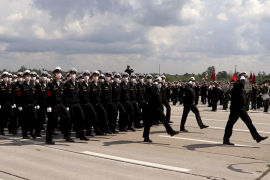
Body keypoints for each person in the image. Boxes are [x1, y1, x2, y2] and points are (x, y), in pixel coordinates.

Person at [223, 72, 268, 145]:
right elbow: (241, 84)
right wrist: (242, 79)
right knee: (233, 123)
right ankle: (257, 137)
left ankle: (257, 137)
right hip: (237, 108)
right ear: (241, 77)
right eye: (245, 77)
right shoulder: (237, 84)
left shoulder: (241, 85)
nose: (246, 78)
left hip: (240, 107)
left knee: (245, 122)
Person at [143, 77, 179, 142]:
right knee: (148, 123)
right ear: (155, 83)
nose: (160, 84)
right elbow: (148, 89)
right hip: (151, 108)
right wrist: (153, 84)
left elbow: (162, 99)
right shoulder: (152, 89)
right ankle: (146, 137)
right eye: (158, 82)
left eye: (160, 83)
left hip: (157, 108)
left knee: (164, 120)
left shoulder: (159, 90)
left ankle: (171, 132)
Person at [46, 67, 74, 144]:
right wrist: (48, 106)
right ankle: (48, 139)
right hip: (53, 105)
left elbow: (65, 97)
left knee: (68, 117)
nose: (58, 74)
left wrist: (66, 105)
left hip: (61, 104)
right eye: (57, 73)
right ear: (54, 74)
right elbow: (48, 96)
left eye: (59, 73)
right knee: (51, 122)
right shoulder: (51, 84)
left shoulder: (62, 85)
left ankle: (67, 135)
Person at [17, 70, 38, 139]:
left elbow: (35, 95)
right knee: (25, 120)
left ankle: (31, 131)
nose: (28, 77)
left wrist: (36, 103)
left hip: (32, 104)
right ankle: (25, 134)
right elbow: (19, 96)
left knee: (34, 118)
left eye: (29, 76)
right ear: (24, 77)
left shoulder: (32, 85)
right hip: (25, 105)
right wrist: (19, 105)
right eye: (27, 76)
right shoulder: (22, 86)